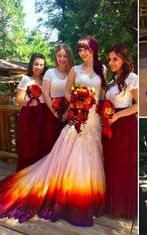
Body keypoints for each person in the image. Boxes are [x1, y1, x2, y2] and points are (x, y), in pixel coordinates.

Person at [0, 36, 106, 226]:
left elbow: (103, 94)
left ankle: (88, 195)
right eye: (80, 50)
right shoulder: (75, 70)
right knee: (70, 156)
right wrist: (76, 102)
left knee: (91, 157)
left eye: (86, 50)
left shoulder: (102, 69)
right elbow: (67, 91)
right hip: (75, 116)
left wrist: (99, 106)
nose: (83, 53)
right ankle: (70, 195)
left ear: (93, 50)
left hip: (94, 119)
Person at [103, 43, 138, 219]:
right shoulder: (111, 81)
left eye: (115, 59)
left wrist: (118, 116)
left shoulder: (132, 78)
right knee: (110, 162)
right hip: (110, 125)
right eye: (110, 59)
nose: (111, 62)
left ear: (124, 59)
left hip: (124, 124)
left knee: (123, 164)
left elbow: (138, 105)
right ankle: (111, 203)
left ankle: (123, 206)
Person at [16, 53, 48, 171]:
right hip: (29, 115)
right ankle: (26, 172)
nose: (38, 67)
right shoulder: (26, 79)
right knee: (29, 145)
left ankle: (38, 173)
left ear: (44, 67)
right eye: (36, 64)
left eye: (41, 65)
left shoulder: (45, 80)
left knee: (41, 144)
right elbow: (18, 100)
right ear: (31, 65)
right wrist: (31, 103)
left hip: (44, 114)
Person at [42, 44, 74, 154]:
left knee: (68, 146)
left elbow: (75, 95)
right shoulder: (49, 72)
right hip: (52, 112)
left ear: (69, 57)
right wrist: (54, 112)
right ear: (56, 56)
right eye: (59, 55)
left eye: (65, 56)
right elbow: (45, 94)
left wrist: (67, 113)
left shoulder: (73, 73)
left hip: (70, 112)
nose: (62, 59)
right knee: (51, 143)